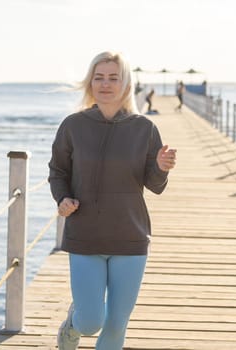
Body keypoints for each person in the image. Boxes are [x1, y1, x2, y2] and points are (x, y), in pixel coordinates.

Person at [48, 51, 177, 350]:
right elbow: (58, 171)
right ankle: (72, 325)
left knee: (116, 325)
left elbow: (155, 186)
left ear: (126, 84)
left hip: (130, 239)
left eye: (113, 78)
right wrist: (63, 198)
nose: (105, 84)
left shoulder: (144, 128)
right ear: (90, 82)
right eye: (99, 77)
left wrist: (160, 167)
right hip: (85, 237)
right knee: (92, 320)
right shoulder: (73, 125)